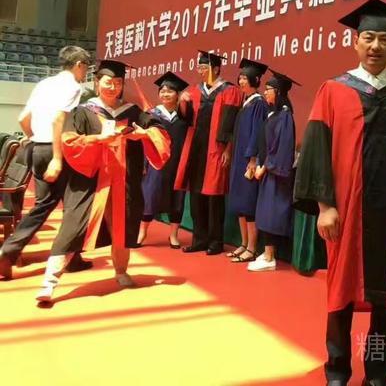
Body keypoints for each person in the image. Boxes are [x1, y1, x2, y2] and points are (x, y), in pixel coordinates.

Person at [294, 0, 386, 386]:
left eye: (384, 39)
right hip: (347, 211)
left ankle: (377, 375)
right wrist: (325, 205)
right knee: (340, 293)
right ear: (355, 42)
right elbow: (317, 149)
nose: (376, 46)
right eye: (368, 38)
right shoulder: (334, 90)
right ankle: (337, 371)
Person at [35, 60, 171, 303]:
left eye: (118, 83)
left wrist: (144, 134)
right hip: (90, 183)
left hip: (124, 180)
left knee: (123, 227)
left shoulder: (132, 112)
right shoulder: (83, 111)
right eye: (108, 82)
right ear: (97, 82)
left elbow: (159, 132)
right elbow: (69, 141)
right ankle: (49, 282)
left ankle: (121, 272)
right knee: (72, 228)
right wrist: (98, 139)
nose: (113, 87)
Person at [0, 45, 93, 280]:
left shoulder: (44, 84)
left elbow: (23, 118)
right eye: (86, 67)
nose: (86, 72)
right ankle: (65, 257)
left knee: (44, 205)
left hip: (37, 148)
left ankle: (13, 251)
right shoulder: (73, 86)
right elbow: (59, 120)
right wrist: (58, 159)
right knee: (74, 205)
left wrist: (33, 137)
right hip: (57, 150)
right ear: (79, 65)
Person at [174, 51, 243, 255]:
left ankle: (215, 241)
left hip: (216, 149)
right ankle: (199, 239)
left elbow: (231, 124)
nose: (200, 71)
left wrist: (228, 149)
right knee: (196, 195)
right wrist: (182, 102)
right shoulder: (195, 91)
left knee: (214, 197)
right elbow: (186, 118)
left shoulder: (230, 91)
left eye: (204, 68)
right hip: (196, 149)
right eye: (199, 68)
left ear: (216, 69)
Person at [248, 69, 298, 272]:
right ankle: (266, 252)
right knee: (265, 213)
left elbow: (282, 148)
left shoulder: (285, 116)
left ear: (278, 92)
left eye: (269, 89)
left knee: (271, 214)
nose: (265, 92)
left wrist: (266, 167)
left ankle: (270, 257)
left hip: (276, 175)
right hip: (267, 171)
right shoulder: (274, 114)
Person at [137, 72, 191, 249]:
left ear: (178, 94)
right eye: (163, 91)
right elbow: (143, 141)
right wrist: (143, 164)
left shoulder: (184, 117)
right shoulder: (152, 114)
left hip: (177, 163)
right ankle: (142, 232)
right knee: (150, 196)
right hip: (156, 163)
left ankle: (173, 235)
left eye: (170, 91)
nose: (165, 94)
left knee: (177, 199)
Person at [227, 59, 269, 263]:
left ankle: (252, 247)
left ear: (255, 79)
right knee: (239, 204)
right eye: (240, 78)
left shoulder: (259, 103)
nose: (241, 81)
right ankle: (243, 243)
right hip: (238, 158)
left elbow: (257, 134)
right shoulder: (246, 102)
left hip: (248, 160)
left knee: (248, 203)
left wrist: (253, 159)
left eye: (245, 78)